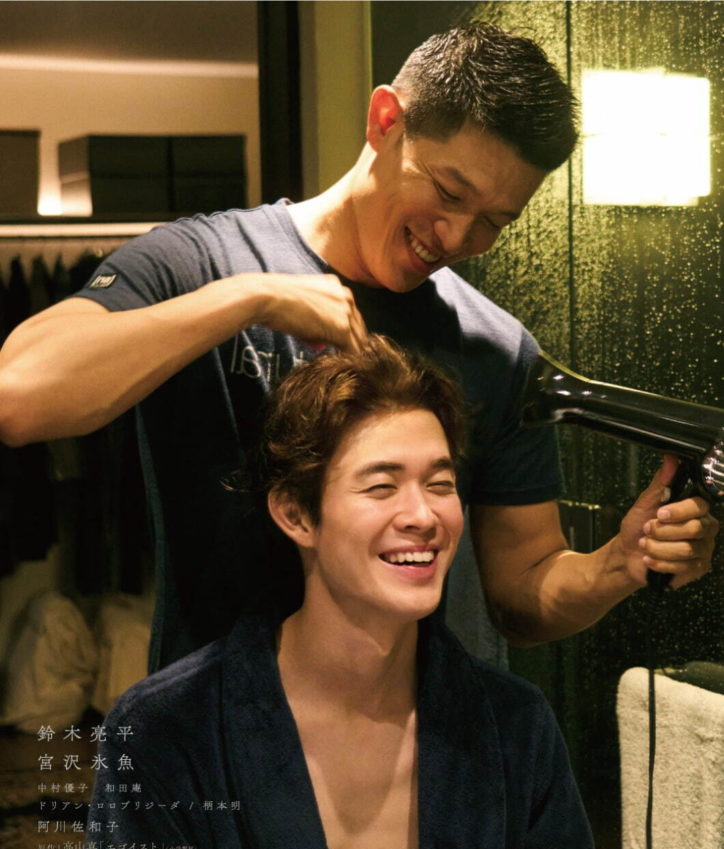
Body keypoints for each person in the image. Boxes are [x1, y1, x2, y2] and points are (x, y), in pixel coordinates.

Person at [0, 24, 717, 670]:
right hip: (217, 739)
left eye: (494, 222)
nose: (457, 238)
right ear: (385, 121)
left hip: (419, 744)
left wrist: (616, 565)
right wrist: (247, 299)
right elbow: (20, 396)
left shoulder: (498, 351)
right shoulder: (200, 262)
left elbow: (519, 597)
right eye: (449, 192)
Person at [75, 337, 618, 849]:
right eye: (381, 486)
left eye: (440, 483)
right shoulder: (169, 729)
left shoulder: (512, 723)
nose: (422, 515)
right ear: (296, 514)